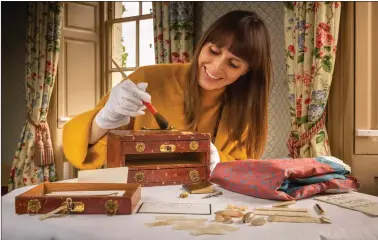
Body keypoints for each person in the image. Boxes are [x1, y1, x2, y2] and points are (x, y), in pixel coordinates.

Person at [62, 10, 272, 170]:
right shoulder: (147, 79)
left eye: (233, 64)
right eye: (214, 51)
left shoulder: (245, 109)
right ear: (202, 44)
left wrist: (217, 161)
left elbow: (245, 169)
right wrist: (103, 120)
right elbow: (81, 151)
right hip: (139, 203)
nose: (216, 67)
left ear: (247, 71)